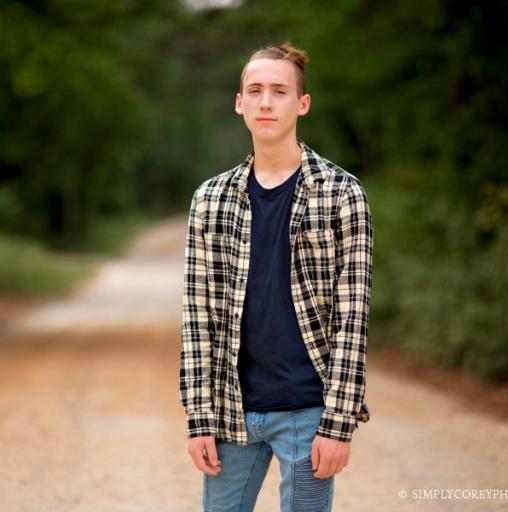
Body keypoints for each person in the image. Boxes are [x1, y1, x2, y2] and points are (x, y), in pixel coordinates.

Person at [179, 41, 373, 512]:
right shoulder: (210, 200)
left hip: (310, 412)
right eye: (256, 90)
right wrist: (198, 418)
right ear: (239, 103)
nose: (267, 102)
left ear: (302, 104)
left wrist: (339, 424)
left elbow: (353, 320)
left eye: (280, 91)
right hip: (231, 410)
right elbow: (197, 318)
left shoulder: (342, 194)